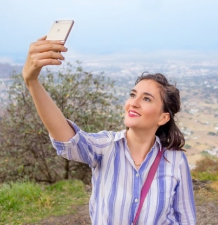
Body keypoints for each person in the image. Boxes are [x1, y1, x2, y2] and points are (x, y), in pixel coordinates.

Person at [22, 36, 196, 225]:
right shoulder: (105, 147)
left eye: (146, 99)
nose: (133, 103)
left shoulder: (176, 161)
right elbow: (67, 140)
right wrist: (32, 81)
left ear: (163, 117)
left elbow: (185, 219)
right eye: (132, 94)